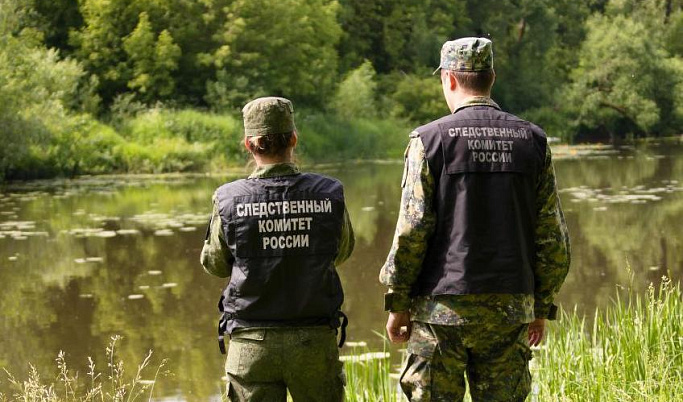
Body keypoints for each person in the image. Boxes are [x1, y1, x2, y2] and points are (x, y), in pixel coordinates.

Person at [379, 37, 571, 401]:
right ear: (492, 78)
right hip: (509, 308)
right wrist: (540, 304)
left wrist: (398, 301)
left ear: (449, 79)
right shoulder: (532, 141)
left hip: (441, 312)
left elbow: (412, 231)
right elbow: (552, 235)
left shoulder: (430, 140)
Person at [201, 96, 354, 402]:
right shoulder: (329, 192)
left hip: (251, 344)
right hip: (313, 340)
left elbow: (216, 264)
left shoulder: (229, 198)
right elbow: (341, 251)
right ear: (294, 139)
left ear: (248, 144)